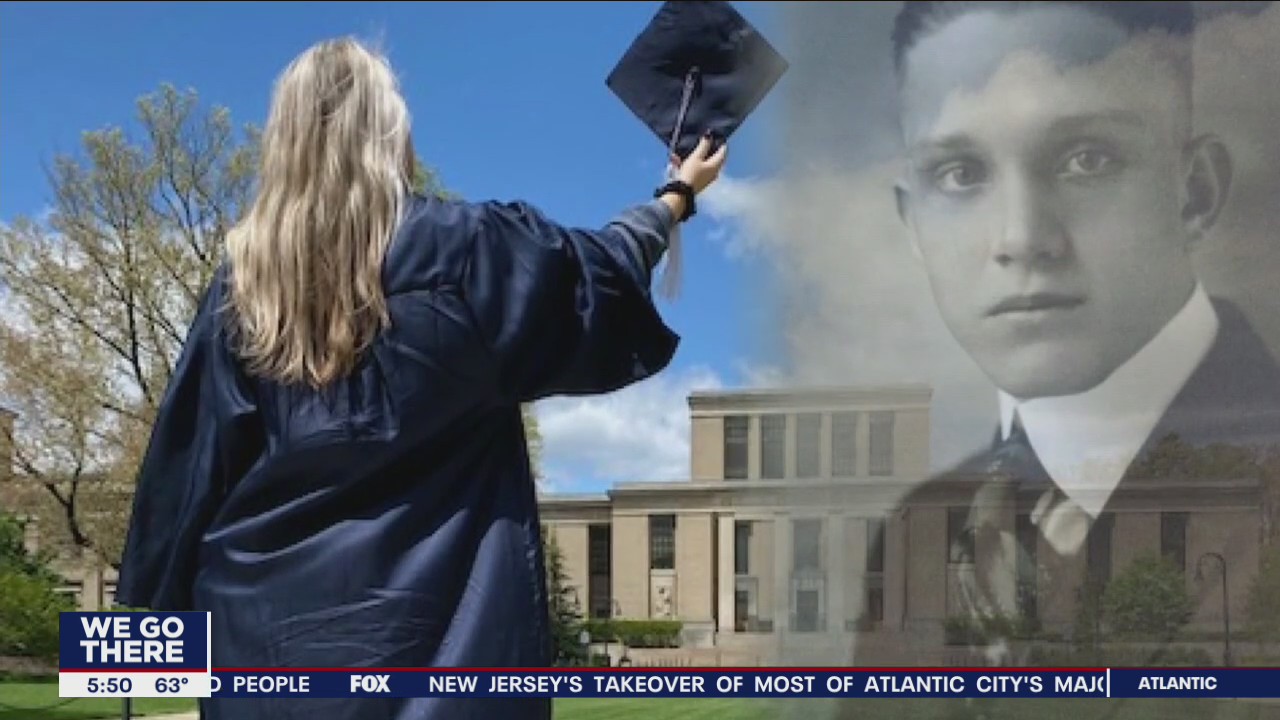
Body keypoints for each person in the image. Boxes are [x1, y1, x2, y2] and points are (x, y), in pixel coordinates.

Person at [114, 37, 726, 720]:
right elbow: (596, 272)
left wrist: (134, 666)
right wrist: (675, 196)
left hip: (267, 658)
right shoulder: (468, 254)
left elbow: (181, 485)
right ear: (390, 134)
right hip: (439, 656)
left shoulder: (243, 285)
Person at [839, 0, 1280, 707]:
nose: (1020, 237)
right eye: (959, 174)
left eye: (1086, 159)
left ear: (1194, 191)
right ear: (913, 222)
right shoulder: (915, 526)